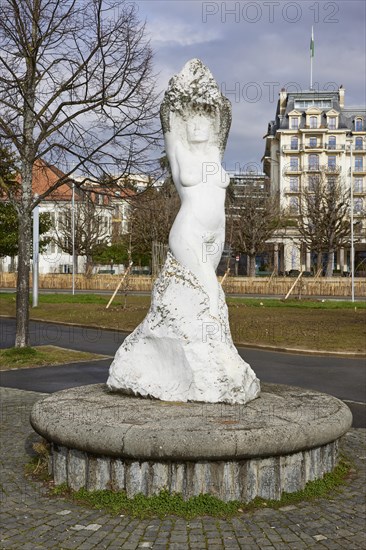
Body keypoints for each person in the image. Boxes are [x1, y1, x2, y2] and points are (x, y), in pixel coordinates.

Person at [161, 59, 232, 318]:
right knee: (210, 291)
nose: (197, 126)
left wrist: (210, 91)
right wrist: (179, 91)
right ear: (184, 127)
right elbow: (168, 116)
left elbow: (225, 112)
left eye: (203, 122)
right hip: (189, 231)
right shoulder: (179, 150)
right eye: (191, 122)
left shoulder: (215, 154)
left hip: (217, 231)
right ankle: (209, 348)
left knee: (200, 291)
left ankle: (203, 345)